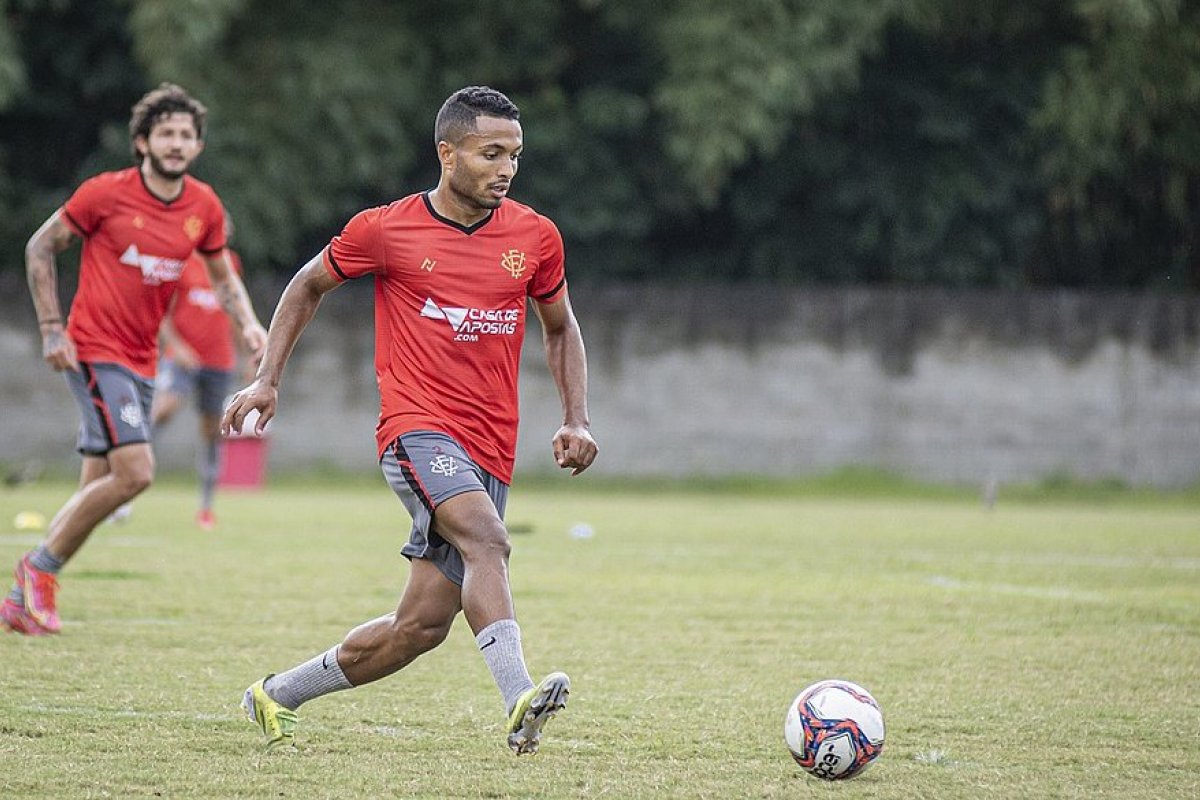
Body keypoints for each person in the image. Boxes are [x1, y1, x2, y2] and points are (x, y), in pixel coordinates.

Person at [221, 85, 598, 755]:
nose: (506, 168)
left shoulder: (535, 236)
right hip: (415, 428)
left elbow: (561, 328)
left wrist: (577, 417)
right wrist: (266, 378)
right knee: (490, 541)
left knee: (419, 627)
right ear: (446, 153)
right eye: (490, 154)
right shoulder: (385, 229)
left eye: (514, 154)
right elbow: (308, 285)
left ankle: (274, 695)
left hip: (491, 444)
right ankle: (520, 699)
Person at [2, 83, 267, 636]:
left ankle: (21, 599)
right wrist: (51, 329)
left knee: (96, 487)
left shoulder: (204, 207)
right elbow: (40, 247)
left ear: (197, 146)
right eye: (165, 133)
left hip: (144, 362)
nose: (176, 143)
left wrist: (247, 325)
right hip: (96, 351)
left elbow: (223, 279)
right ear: (142, 141)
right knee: (137, 472)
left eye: (186, 135)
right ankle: (36, 571)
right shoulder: (104, 194)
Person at [114, 243, 251, 531]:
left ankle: (206, 507)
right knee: (164, 410)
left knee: (213, 430)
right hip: (181, 360)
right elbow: (160, 313)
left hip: (220, 361)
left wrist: (249, 353)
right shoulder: (181, 261)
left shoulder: (230, 262)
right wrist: (178, 347)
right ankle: (123, 487)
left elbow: (234, 308)